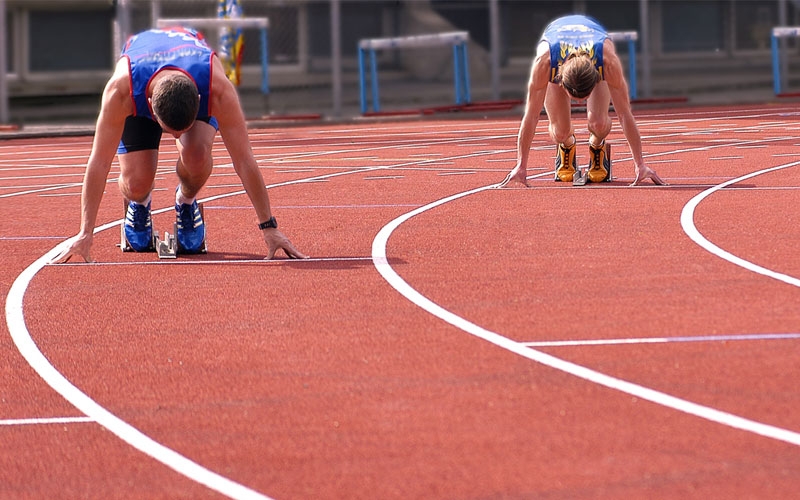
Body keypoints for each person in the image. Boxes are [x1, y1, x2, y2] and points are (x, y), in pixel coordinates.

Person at [51, 27, 307, 263]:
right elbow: (99, 161)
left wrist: (269, 226)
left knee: (196, 155)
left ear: (199, 100)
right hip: (141, 78)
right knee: (136, 182)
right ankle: (139, 203)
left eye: (181, 131)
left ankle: (186, 201)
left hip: (190, 73)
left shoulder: (217, 90)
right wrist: (86, 232)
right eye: (169, 132)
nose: (175, 139)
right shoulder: (120, 92)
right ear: (150, 107)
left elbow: (244, 159)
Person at [499, 14, 666, 188]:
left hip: (594, 50)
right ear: (561, 82)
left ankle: (597, 146)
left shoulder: (608, 63)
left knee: (599, 124)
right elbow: (532, 115)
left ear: (597, 79)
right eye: (577, 99)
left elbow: (624, 113)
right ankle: (566, 145)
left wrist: (640, 164)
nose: (580, 104)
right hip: (558, 53)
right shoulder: (545, 63)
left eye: (585, 97)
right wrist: (521, 165)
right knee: (559, 132)